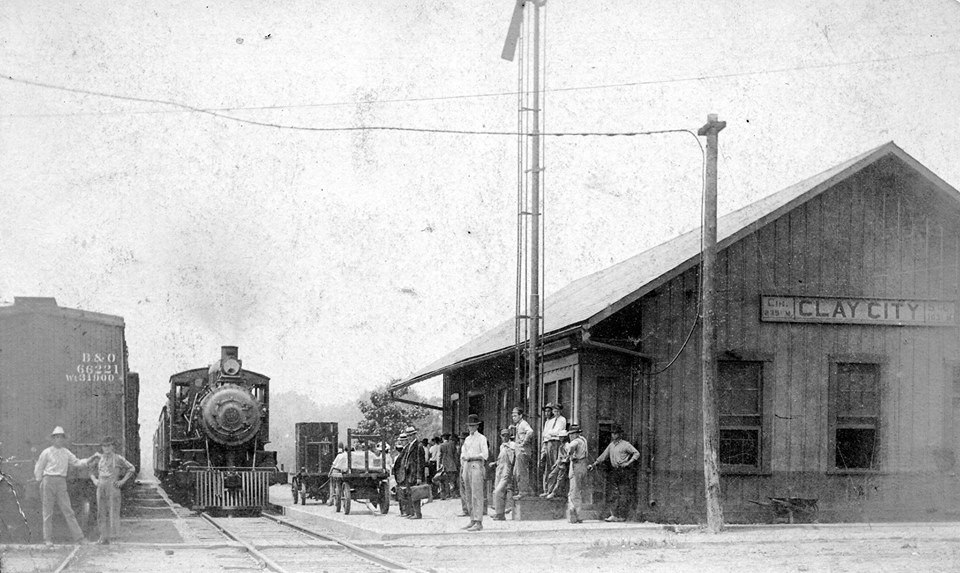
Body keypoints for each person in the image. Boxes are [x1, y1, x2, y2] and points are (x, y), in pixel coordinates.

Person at [34, 426, 97, 545]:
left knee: (68, 511)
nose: (59, 439)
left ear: (63, 439)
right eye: (56, 437)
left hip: (61, 482)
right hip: (48, 481)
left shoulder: (66, 452)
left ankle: (79, 538)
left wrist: (91, 458)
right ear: (53, 439)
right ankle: (47, 539)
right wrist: (40, 481)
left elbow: (77, 462)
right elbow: (39, 467)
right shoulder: (46, 452)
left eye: (61, 437)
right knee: (47, 511)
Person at [588, 425, 640, 522]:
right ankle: (614, 515)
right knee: (613, 492)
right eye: (612, 433)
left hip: (624, 470)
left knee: (623, 492)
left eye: (615, 433)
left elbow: (636, 453)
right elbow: (603, 455)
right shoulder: (611, 445)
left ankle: (622, 516)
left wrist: (628, 462)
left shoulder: (625, 444)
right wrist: (594, 464)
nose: (613, 435)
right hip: (614, 470)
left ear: (620, 434)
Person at [90, 436, 135, 544]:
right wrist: (94, 480)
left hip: (113, 486)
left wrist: (122, 481)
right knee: (101, 512)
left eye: (109, 446)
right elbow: (90, 470)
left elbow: (131, 468)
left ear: (113, 447)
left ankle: (114, 537)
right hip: (101, 486)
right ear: (102, 447)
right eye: (104, 446)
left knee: (113, 511)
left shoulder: (118, 458)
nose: (106, 448)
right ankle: (103, 536)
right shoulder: (98, 458)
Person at [460, 415, 488, 531]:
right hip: (467, 465)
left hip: (476, 464)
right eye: (469, 426)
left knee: (477, 493)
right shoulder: (467, 439)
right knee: (468, 493)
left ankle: (478, 521)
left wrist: (472, 456)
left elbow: (485, 454)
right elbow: (463, 453)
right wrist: (463, 465)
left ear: (477, 426)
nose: (471, 428)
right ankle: (472, 518)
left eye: (473, 425)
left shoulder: (482, 438)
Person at [397, 427, 426, 519]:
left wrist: (419, 476)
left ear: (414, 435)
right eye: (408, 435)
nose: (409, 437)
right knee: (410, 493)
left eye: (411, 435)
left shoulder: (418, 446)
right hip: (408, 473)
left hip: (414, 473)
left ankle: (417, 513)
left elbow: (420, 463)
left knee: (415, 494)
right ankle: (412, 512)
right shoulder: (409, 446)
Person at [539, 403, 566, 495]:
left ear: (560, 411)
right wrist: (551, 433)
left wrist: (550, 433)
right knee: (548, 466)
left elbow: (558, 431)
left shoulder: (562, 420)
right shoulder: (550, 421)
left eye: (558, 411)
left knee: (555, 465)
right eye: (554, 411)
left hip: (556, 443)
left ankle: (554, 491)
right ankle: (547, 490)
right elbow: (544, 434)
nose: (556, 413)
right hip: (549, 443)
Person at [490, 427, 516, 521]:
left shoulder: (512, 445)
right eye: (503, 435)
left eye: (507, 435)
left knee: (499, 490)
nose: (505, 437)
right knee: (497, 491)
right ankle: (499, 513)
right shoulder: (501, 446)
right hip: (499, 470)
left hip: (507, 469)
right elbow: (500, 460)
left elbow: (512, 458)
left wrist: (508, 448)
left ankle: (502, 512)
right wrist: (494, 463)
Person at [565, 424, 588, 523]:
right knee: (578, 490)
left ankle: (574, 515)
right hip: (583, 465)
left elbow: (570, 447)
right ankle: (578, 514)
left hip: (576, 465)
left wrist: (569, 454)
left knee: (574, 491)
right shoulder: (583, 439)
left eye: (572, 434)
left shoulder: (575, 441)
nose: (570, 436)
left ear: (576, 434)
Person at [511, 408, 535, 499]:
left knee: (521, 472)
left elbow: (530, 431)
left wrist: (524, 441)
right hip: (518, 451)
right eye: (512, 416)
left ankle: (523, 492)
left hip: (522, 451)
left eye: (515, 416)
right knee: (516, 472)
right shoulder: (519, 425)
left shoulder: (524, 423)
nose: (513, 418)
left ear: (520, 415)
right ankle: (523, 490)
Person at [544, 429, 570, 500]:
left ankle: (554, 493)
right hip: (559, 464)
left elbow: (569, 456)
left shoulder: (567, 446)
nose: (560, 438)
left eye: (562, 437)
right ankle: (549, 491)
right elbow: (559, 457)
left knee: (559, 479)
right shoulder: (561, 446)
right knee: (551, 476)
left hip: (564, 465)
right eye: (560, 437)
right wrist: (555, 464)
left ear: (565, 437)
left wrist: (565, 460)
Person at [432, 434, 458, 500]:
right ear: (448, 438)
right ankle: (453, 494)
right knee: (451, 480)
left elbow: (439, 456)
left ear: (443, 438)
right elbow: (456, 455)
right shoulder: (452, 445)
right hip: (452, 465)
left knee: (442, 481)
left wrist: (438, 466)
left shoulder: (441, 446)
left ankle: (443, 495)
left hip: (444, 466)